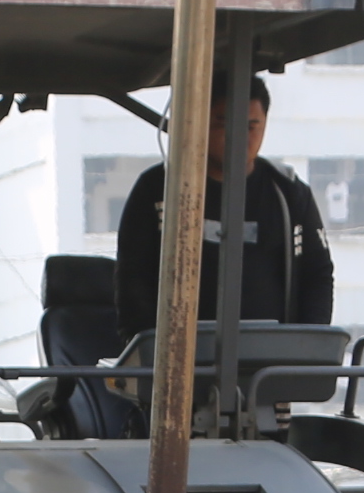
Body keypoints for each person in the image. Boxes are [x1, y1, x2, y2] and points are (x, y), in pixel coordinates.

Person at [112, 75, 334, 345]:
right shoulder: (158, 189)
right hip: (178, 363)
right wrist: (148, 350)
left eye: (252, 126)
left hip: (272, 364)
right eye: (224, 124)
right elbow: (133, 277)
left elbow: (318, 274)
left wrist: (308, 346)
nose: (240, 138)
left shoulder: (289, 193)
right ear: (199, 122)